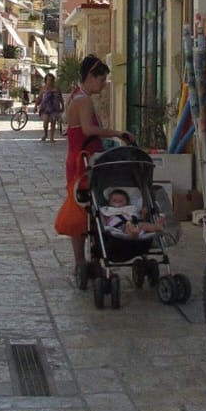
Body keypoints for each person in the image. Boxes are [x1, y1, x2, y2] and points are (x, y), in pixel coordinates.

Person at [64, 54, 134, 272]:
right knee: (84, 210)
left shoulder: (77, 95)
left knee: (87, 209)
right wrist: (116, 133)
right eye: (102, 79)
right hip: (82, 161)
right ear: (91, 77)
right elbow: (88, 130)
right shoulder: (83, 100)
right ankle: (81, 262)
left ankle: (88, 258)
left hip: (83, 158)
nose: (104, 85)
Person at [100, 187, 165, 239]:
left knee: (142, 224)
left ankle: (156, 227)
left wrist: (143, 213)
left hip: (135, 225)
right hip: (118, 228)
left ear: (127, 202)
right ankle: (133, 232)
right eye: (114, 201)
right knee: (128, 226)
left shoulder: (129, 209)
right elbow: (103, 219)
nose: (117, 203)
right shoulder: (107, 210)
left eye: (121, 201)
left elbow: (139, 218)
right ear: (109, 202)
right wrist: (104, 225)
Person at [38, 74, 65, 144]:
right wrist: (35, 106)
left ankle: (51, 138)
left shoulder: (57, 88)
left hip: (55, 108)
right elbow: (39, 98)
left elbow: (61, 98)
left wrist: (62, 106)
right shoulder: (43, 89)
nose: (49, 81)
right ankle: (45, 134)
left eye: (51, 80)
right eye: (48, 80)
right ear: (46, 81)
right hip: (45, 108)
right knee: (45, 122)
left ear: (53, 80)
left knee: (53, 123)